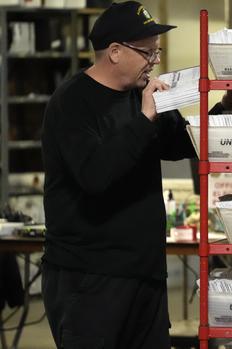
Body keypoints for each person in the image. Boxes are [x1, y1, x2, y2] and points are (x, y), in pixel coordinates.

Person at [41, 2, 194, 348]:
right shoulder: (71, 103)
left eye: (157, 52)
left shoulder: (142, 98)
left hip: (145, 275)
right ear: (114, 52)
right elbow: (95, 175)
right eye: (147, 52)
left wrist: (228, 111)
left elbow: (182, 143)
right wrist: (144, 120)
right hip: (90, 281)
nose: (154, 61)